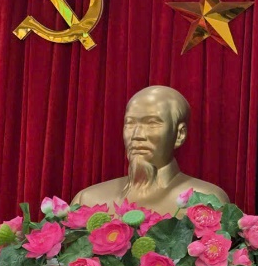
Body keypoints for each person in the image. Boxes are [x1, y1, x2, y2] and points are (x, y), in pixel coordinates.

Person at [73, 86, 229, 216]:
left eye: (152, 124)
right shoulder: (87, 200)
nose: (137, 135)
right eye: (130, 124)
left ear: (179, 134)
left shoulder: (207, 201)